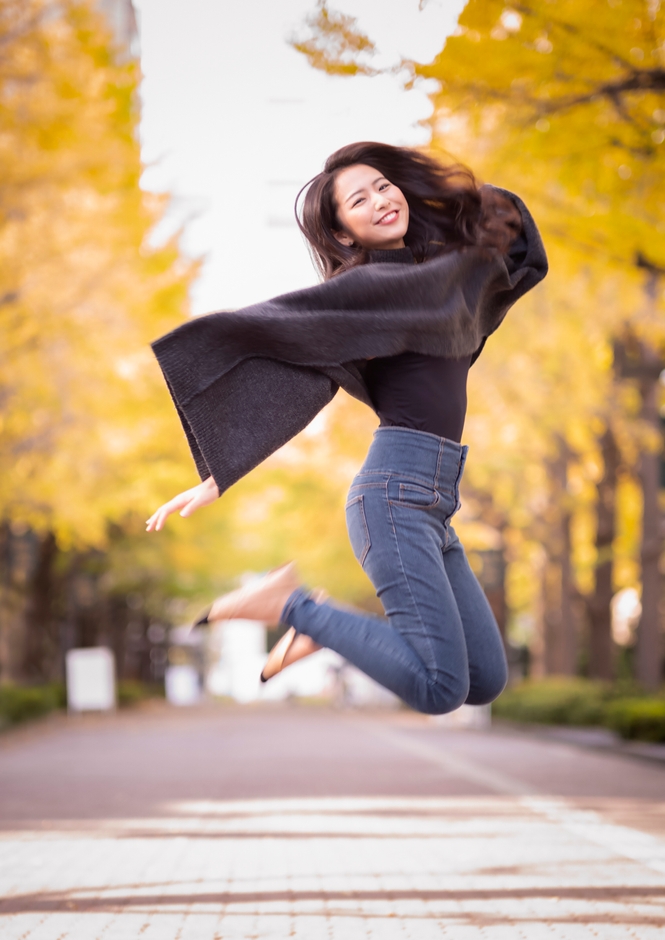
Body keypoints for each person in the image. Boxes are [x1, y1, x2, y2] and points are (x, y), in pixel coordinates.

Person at [146, 142, 548, 715]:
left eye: (384, 185)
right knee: (439, 687)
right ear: (343, 234)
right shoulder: (359, 292)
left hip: (435, 499)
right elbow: (279, 346)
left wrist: (430, 190)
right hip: (394, 497)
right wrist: (220, 471)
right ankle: (295, 607)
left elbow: (512, 230)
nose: (382, 200)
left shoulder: (444, 271)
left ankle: (321, 627)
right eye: (360, 200)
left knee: (482, 679)